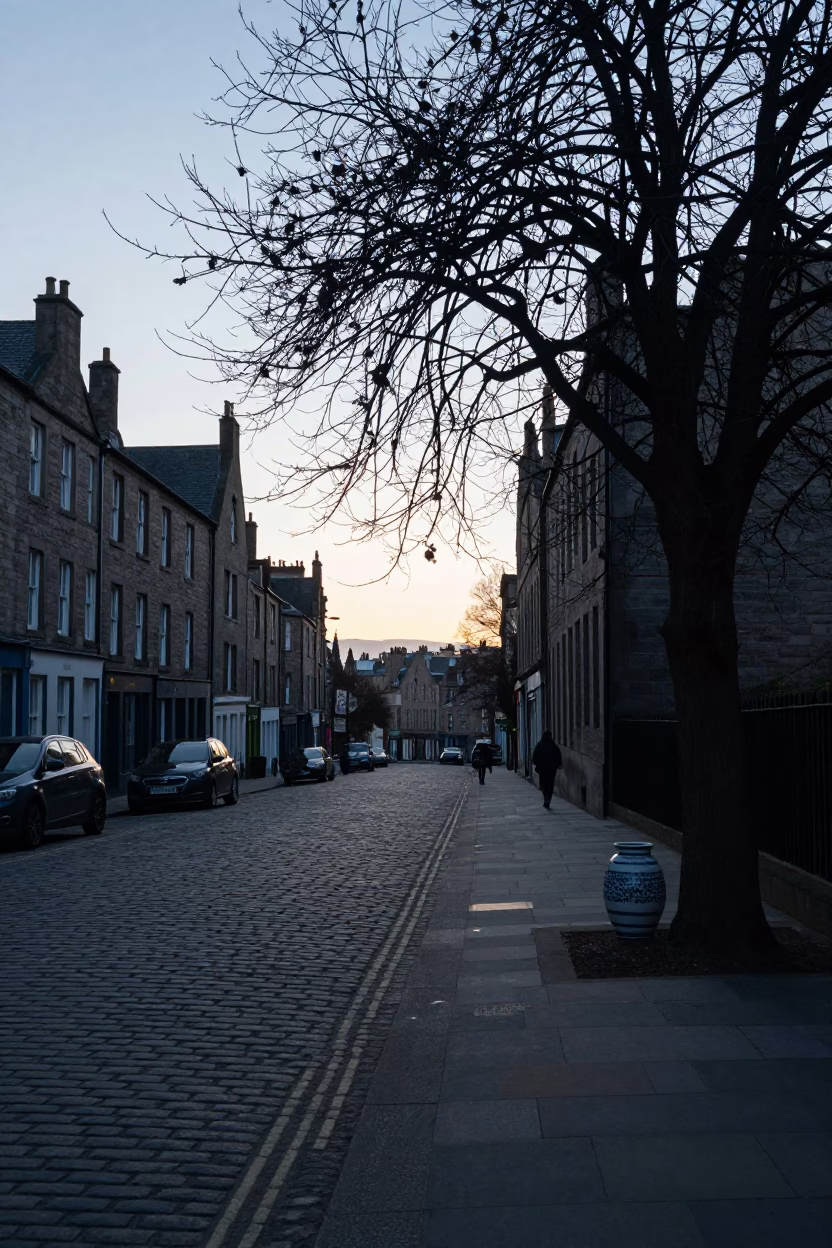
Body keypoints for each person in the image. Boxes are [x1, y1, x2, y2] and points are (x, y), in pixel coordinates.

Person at [532, 729, 562, 809]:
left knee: (544, 784)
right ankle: (548, 798)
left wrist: (536, 763)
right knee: (550, 784)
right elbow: (558, 756)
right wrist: (558, 764)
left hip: (542, 769)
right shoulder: (554, 746)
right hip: (552, 769)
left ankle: (546, 797)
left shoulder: (539, 745)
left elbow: (535, 756)